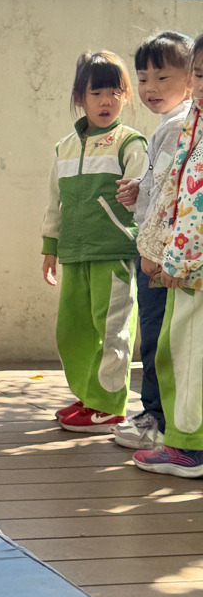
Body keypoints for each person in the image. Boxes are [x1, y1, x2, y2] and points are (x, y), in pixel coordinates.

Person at [42, 51, 147, 433]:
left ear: (125, 96)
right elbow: (54, 201)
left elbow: (146, 196)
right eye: (96, 92)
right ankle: (89, 395)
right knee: (73, 332)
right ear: (79, 97)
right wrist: (50, 247)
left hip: (113, 253)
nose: (106, 101)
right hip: (74, 254)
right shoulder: (64, 148)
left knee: (112, 331)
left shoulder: (130, 142)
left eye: (114, 92)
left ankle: (109, 405)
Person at [112, 31, 192, 450]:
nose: (150, 88)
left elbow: (175, 197)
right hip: (158, 252)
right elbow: (161, 187)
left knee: (159, 338)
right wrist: (137, 190)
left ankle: (158, 420)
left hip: (163, 257)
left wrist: (158, 252)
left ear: (191, 79)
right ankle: (158, 416)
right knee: (158, 336)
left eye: (163, 77)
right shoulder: (170, 126)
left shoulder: (182, 127)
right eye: (143, 78)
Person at [134, 32, 203, 476]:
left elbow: (194, 203)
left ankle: (188, 447)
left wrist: (174, 258)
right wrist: (156, 246)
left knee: (186, 355)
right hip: (181, 261)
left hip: (189, 268)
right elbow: (171, 192)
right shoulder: (192, 123)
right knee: (176, 350)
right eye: (201, 74)